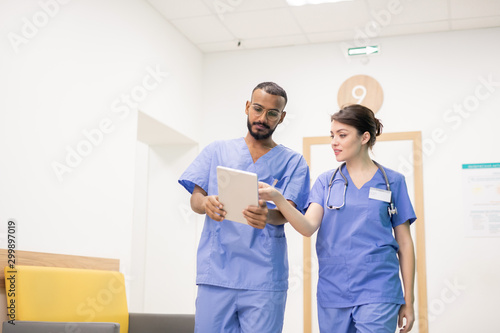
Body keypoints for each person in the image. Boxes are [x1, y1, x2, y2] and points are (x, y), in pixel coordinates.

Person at [259, 104, 417, 333]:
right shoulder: (326, 182)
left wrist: (409, 302)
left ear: (364, 137)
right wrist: (279, 199)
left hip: (379, 289)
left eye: (342, 135)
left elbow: (405, 243)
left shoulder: (393, 181)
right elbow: (307, 226)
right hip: (333, 291)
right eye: (332, 135)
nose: (334, 142)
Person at [178, 82, 310, 333]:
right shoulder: (218, 150)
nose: (263, 118)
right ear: (247, 107)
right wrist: (206, 203)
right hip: (217, 272)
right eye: (258, 109)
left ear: (281, 118)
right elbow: (195, 199)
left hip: (264, 277)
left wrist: (267, 215)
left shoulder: (293, 162)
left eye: (272, 113)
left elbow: (288, 213)